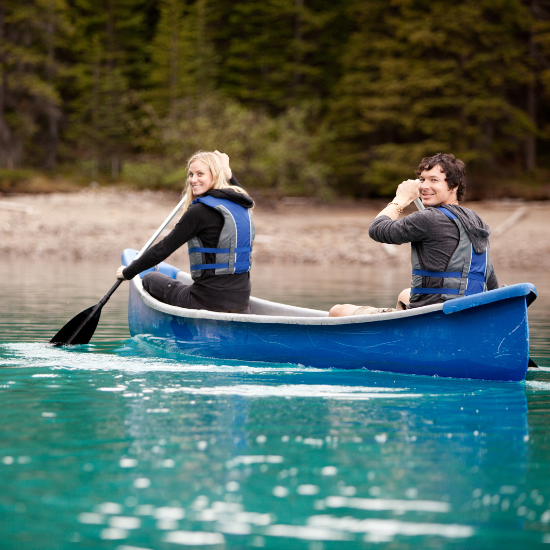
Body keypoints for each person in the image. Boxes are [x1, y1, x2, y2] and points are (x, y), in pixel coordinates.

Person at [329, 152, 498, 317]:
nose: (424, 186)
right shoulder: (476, 221)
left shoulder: (429, 218)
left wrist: (401, 199)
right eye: (422, 179)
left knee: (337, 311)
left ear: (454, 186)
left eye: (434, 180)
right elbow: (488, 275)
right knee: (404, 294)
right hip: (467, 311)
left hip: (434, 314)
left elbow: (377, 229)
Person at [116, 150, 255, 314]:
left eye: (200, 174)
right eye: (191, 174)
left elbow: (163, 248)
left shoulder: (200, 211)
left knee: (150, 279)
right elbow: (237, 194)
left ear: (215, 175)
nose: (193, 180)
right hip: (241, 305)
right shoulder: (243, 207)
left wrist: (128, 272)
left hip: (206, 303)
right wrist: (229, 175)